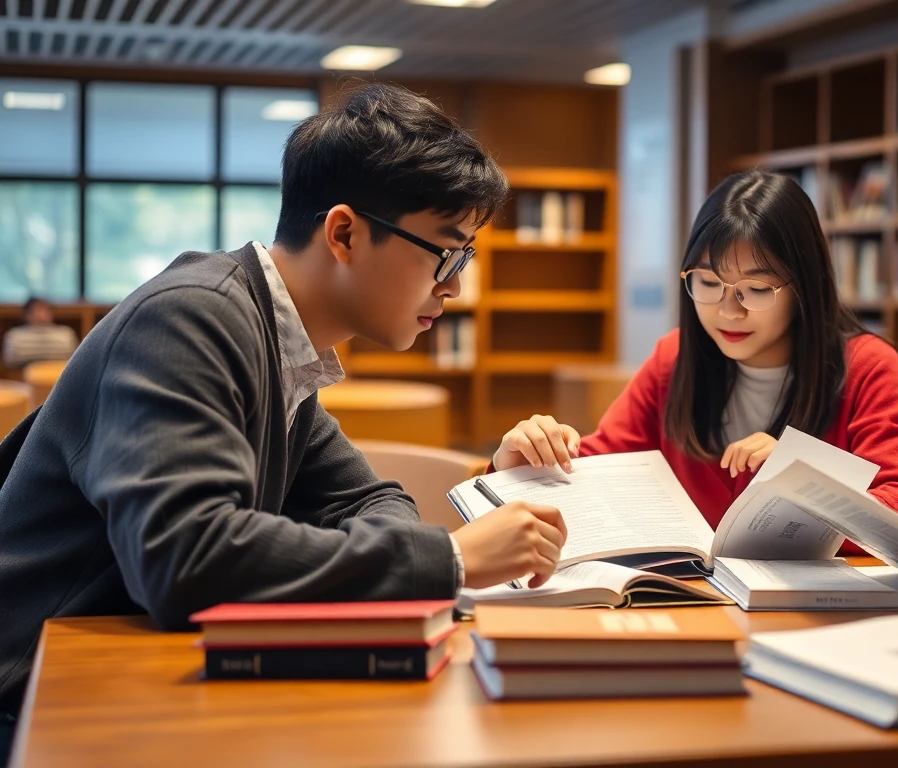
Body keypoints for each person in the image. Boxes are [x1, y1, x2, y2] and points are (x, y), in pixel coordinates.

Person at [0, 83, 570, 733]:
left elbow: (373, 502)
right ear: (345, 233)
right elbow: (189, 560)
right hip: (32, 698)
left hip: (129, 679)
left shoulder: (277, 348)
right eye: (446, 251)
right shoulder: (192, 318)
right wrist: (455, 560)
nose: (456, 285)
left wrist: (397, 551)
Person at [490, 169, 898, 538]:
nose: (728, 310)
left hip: (819, 611)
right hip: (697, 600)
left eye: (756, 289)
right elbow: (598, 469)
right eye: (707, 283)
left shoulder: (865, 367)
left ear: (805, 286)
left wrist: (805, 477)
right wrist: (519, 460)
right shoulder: (675, 359)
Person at [2, 297, 78, 370]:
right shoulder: (14, 336)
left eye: (44, 310)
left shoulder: (66, 334)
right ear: (26, 315)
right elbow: (10, 360)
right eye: (37, 310)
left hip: (59, 374)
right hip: (22, 377)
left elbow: (73, 358)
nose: (42, 314)